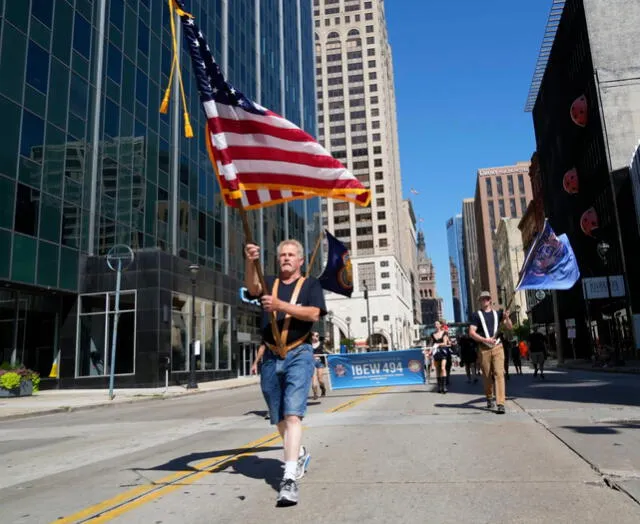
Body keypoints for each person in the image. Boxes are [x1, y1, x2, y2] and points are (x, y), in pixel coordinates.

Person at [245, 239, 326, 506]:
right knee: (277, 415)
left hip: (298, 352)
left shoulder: (311, 285)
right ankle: (299, 452)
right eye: (282, 255)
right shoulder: (269, 281)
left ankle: (289, 478)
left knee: (293, 413)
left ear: (301, 260)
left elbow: (313, 313)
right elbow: (253, 287)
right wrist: (249, 259)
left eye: (291, 255)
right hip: (270, 354)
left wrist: (281, 306)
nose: (286, 258)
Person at [468, 291, 513, 414]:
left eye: (487, 299)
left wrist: (507, 317)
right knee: (487, 376)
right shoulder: (476, 315)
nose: (485, 301)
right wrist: (484, 339)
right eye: (482, 299)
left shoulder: (498, 314)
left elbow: (509, 327)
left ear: (490, 300)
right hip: (484, 348)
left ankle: (500, 403)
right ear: (480, 301)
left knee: (499, 373)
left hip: (498, 347)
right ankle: (489, 397)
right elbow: (471, 332)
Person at [430, 320, 451, 393]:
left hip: (443, 352)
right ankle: (439, 387)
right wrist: (429, 351)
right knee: (437, 369)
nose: (436, 325)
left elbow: (445, 343)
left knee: (443, 368)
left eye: (437, 324)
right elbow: (431, 344)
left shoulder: (444, 333)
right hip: (436, 353)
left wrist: (438, 344)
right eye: (435, 324)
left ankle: (444, 387)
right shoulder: (432, 334)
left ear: (440, 325)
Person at [310, 331, 327, 400]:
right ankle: (315, 394)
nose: (317, 337)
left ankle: (323, 389)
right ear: (312, 336)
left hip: (320, 362)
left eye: (318, 335)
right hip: (312, 362)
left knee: (320, 379)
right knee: (314, 378)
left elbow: (325, 351)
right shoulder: (309, 344)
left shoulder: (322, 344)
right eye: (316, 335)